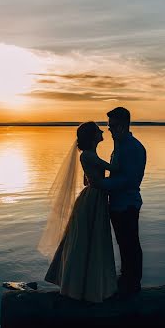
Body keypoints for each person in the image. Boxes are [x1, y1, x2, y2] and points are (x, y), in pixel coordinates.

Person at [39, 122, 118, 303]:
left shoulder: (89, 155)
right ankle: (87, 286)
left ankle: (83, 284)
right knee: (90, 240)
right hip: (93, 200)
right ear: (92, 136)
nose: (102, 131)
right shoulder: (89, 156)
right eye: (98, 130)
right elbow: (114, 170)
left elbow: (85, 181)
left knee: (88, 240)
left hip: (93, 197)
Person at [95, 107, 146, 297]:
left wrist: (102, 183)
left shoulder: (133, 147)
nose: (109, 130)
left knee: (130, 243)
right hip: (117, 203)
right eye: (109, 126)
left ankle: (132, 283)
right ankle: (126, 278)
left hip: (127, 204)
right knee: (123, 243)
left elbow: (129, 179)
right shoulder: (120, 146)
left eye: (113, 126)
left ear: (123, 125)